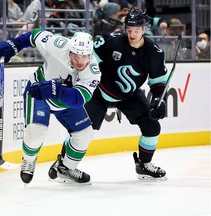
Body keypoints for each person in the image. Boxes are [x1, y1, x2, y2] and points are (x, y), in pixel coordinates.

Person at [49, 8, 167, 181]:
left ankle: (144, 164)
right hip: (97, 93)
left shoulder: (154, 53)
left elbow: (158, 82)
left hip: (129, 95)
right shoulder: (110, 42)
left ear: (144, 29)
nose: (132, 34)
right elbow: (84, 61)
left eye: (136, 30)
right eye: (129, 30)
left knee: (152, 126)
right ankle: (64, 165)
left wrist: (158, 100)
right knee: (81, 129)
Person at [0, 29, 101, 184]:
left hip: (65, 101)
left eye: (84, 56)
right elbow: (35, 35)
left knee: (85, 134)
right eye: (75, 54)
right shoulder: (59, 45)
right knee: (36, 130)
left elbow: (78, 99)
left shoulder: (93, 72)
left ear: (90, 55)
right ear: (69, 50)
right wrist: (14, 44)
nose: (79, 60)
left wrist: (56, 91)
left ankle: (65, 168)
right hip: (39, 92)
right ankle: (29, 160)